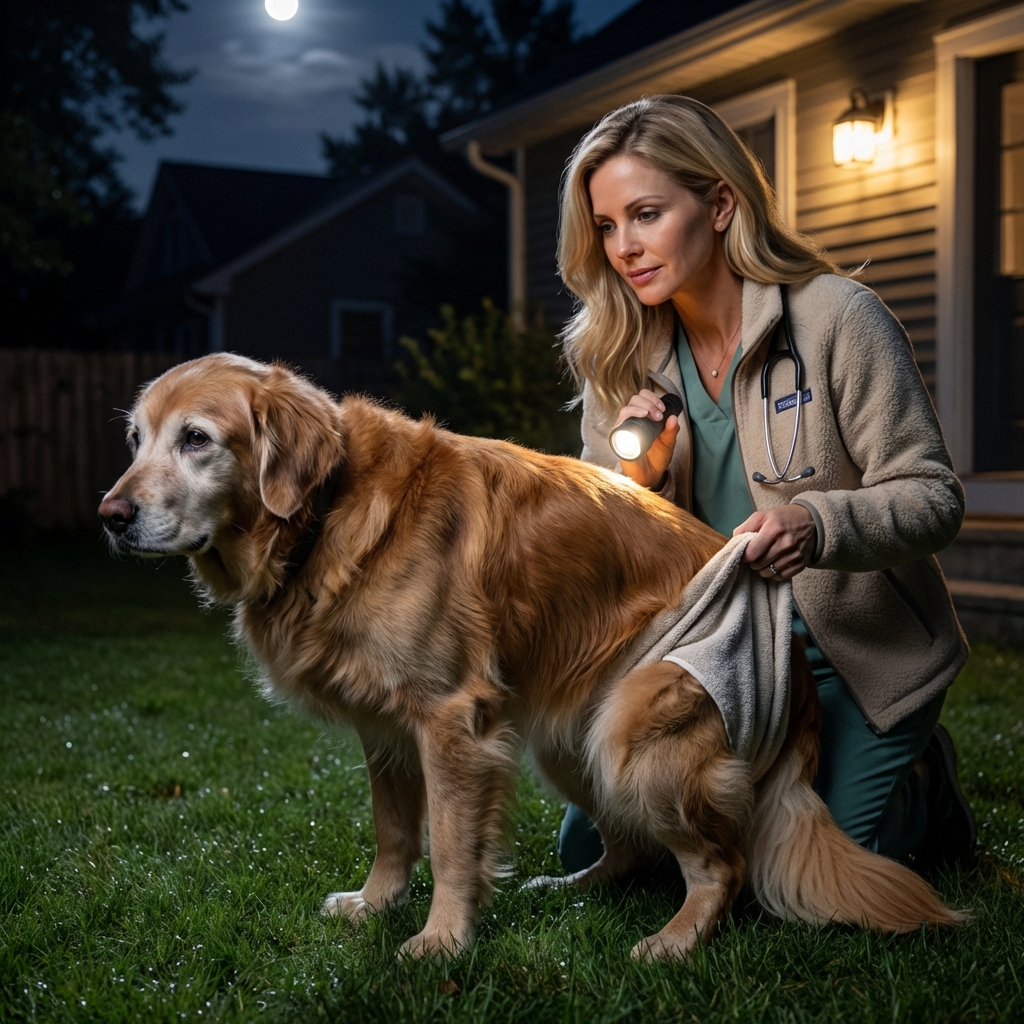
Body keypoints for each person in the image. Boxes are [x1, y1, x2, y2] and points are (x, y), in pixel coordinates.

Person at [555, 94, 976, 874]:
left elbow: (933, 498)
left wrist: (818, 524)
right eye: (607, 226)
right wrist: (636, 484)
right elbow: (597, 556)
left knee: (812, 872)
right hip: (709, 652)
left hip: (846, 651)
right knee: (610, 849)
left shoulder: (838, 319)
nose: (624, 248)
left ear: (719, 203)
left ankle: (923, 790)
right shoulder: (616, 355)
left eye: (646, 214)